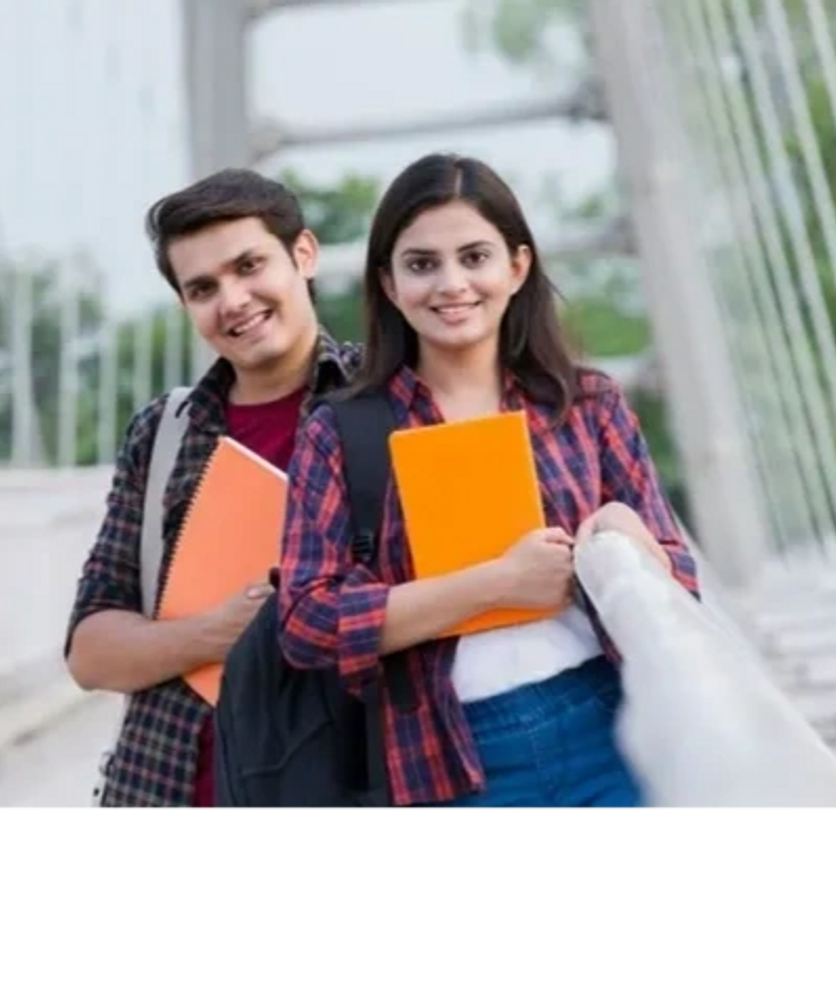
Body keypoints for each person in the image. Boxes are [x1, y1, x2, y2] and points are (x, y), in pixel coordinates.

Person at [275, 152, 700, 811]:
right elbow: (305, 621)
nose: (451, 284)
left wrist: (629, 537)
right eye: (422, 264)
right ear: (388, 283)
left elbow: (681, 582)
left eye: (475, 257)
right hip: (451, 759)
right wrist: (494, 585)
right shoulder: (341, 432)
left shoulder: (587, 406)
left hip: (609, 724)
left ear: (517, 266)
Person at [66, 168, 363, 811]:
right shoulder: (164, 432)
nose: (233, 300)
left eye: (250, 265)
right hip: (168, 791)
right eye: (203, 288)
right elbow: (90, 651)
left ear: (304, 255)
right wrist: (217, 633)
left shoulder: (388, 401)